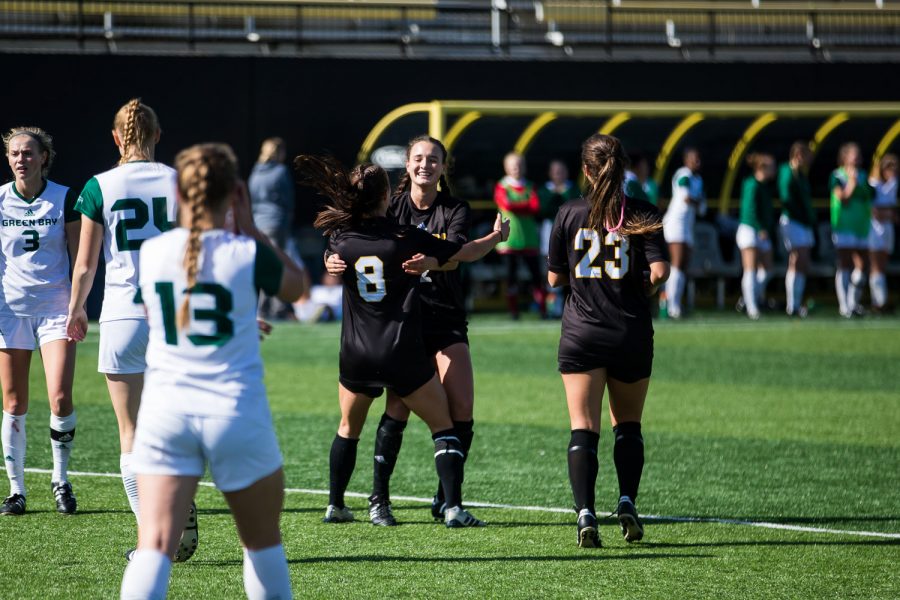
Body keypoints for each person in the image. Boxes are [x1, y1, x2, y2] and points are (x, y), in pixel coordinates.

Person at [119, 143, 305, 599]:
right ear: (236, 193)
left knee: (154, 548)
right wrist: (251, 228)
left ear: (178, 196)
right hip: (235, 411)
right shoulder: (245, 252)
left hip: (166, 414)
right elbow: (298, 286)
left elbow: (166, 314)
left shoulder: (153, 251)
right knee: (261, 545)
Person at [295, 154, 508, 529]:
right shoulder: (406, 239)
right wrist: (496, 237)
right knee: (444, 426)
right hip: (399, 350)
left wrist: (330, 256)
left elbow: (333, 252)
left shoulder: (341, 241)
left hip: (356, 353)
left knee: (348, 428)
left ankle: (336, 505)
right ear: (386, 196)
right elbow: (466, 253)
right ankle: (453, 507)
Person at [65, 98, 195, 559]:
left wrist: (76, 310)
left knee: (131, 432)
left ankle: (152, 540)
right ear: (158, 136)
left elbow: (85, 264)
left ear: (117, 138)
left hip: (123, 314)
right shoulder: (182, 183)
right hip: (176, 316)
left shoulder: (99, 186)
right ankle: (179, 498)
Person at [324, 136, 478, 526]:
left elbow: (456, 254)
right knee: (402, 411)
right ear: (405, 168)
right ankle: (382, 499)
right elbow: (456, 254)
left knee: (461, 411)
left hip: (440, 320)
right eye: (418, 159)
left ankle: (443, 500)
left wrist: (437, 259)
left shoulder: (455, 209)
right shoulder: (394, 214)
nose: (425, 165)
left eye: (433, 159)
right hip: (401, 326)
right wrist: (330, 258)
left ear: (444, 167)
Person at [547, 134, 669, 548]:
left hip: (582, 333)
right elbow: (660, 272)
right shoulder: (643, 212)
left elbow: (553, 278)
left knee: (583, 427)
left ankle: (585, 513)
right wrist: (642, 290)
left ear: (585, 169)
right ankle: (627, 501)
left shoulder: (568, 212)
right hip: (631, 331)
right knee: (628, 426)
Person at [0, 127, 80, 516]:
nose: (20, 159)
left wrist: (79, 306)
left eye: (28, 153)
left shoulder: (64, 198)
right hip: (10, 311)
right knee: (14, 401)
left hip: (56, 310)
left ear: (43, 157)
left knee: (60, 398)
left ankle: (61, 481)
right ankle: (17, 491)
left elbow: (82, 259)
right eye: (15, 153)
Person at [249, 137, 298, 320]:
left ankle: (262, 308)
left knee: (263, 266)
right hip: (276, 224)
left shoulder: (255, 172)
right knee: (278, 266)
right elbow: (288, 201)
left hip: (259, 225)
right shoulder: (280, 171)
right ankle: (277, 307)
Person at [494, 152, 546, 319]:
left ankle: (543, 310)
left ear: (524, 166)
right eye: (513, 165)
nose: (516, 168)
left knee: (537, 277)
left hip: (529, 238)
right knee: (511, 277)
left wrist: (518, 206)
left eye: (519, 165)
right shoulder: (502, 186)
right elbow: (506, 204)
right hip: (509, 239)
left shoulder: (530, 186)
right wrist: (524, 206)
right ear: (506, 167)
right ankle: (513, 311)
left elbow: (535, 207)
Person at [830, 142, 872, 317]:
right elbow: (843, 198)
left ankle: (853, 302)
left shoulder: (864, 176)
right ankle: (844, 306)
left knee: (863, 266)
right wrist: (852, 182)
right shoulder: (837, 176)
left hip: (861, 226)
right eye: (853, 155)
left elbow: (868, 196)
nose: (857, 158)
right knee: (845, 263)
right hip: (844, 227)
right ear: (845, 157)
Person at [662, 147, 705, 319]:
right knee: (677, 264)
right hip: (675, 224)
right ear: (686, 160)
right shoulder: (683, 175)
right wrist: (698, 202)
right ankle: (672, 306)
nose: (697, 162)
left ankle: (677, 304)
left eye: (699, 159)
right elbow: (686, 198)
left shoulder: (698, 179)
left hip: (687, 226)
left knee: (683, 266)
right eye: (694, 159)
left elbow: (701, 208)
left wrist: (698, 203)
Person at [777, 142, 816, 317]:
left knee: (804, 262)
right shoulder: (787, 171)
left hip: (804, 223)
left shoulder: (802, 175)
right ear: (799, 155)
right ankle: (792, 305)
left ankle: (796, 304)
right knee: (797, 258)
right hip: (793, 221)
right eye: (807, 155)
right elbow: (786, 197)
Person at [736, 153, 776, 320]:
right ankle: (752, 308)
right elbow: (749, 210)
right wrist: (760, 228)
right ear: (762, 168)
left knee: (767, 269)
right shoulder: (751, 184)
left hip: (761, 231)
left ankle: (747, 298)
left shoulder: (765, 186)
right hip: (749, 230)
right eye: (771, 167)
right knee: (750, 269)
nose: (774, 170)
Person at [868, 153, 897, 312]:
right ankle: (880, 301)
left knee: (882, 266)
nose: (892, 172)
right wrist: (887, 214)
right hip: (875, 229)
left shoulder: (893, 184)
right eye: (889, 168)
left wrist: (889, 215)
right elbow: (874, 211)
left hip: (887, 228)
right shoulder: (874, 185)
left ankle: (879, 301)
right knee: (876, 266)